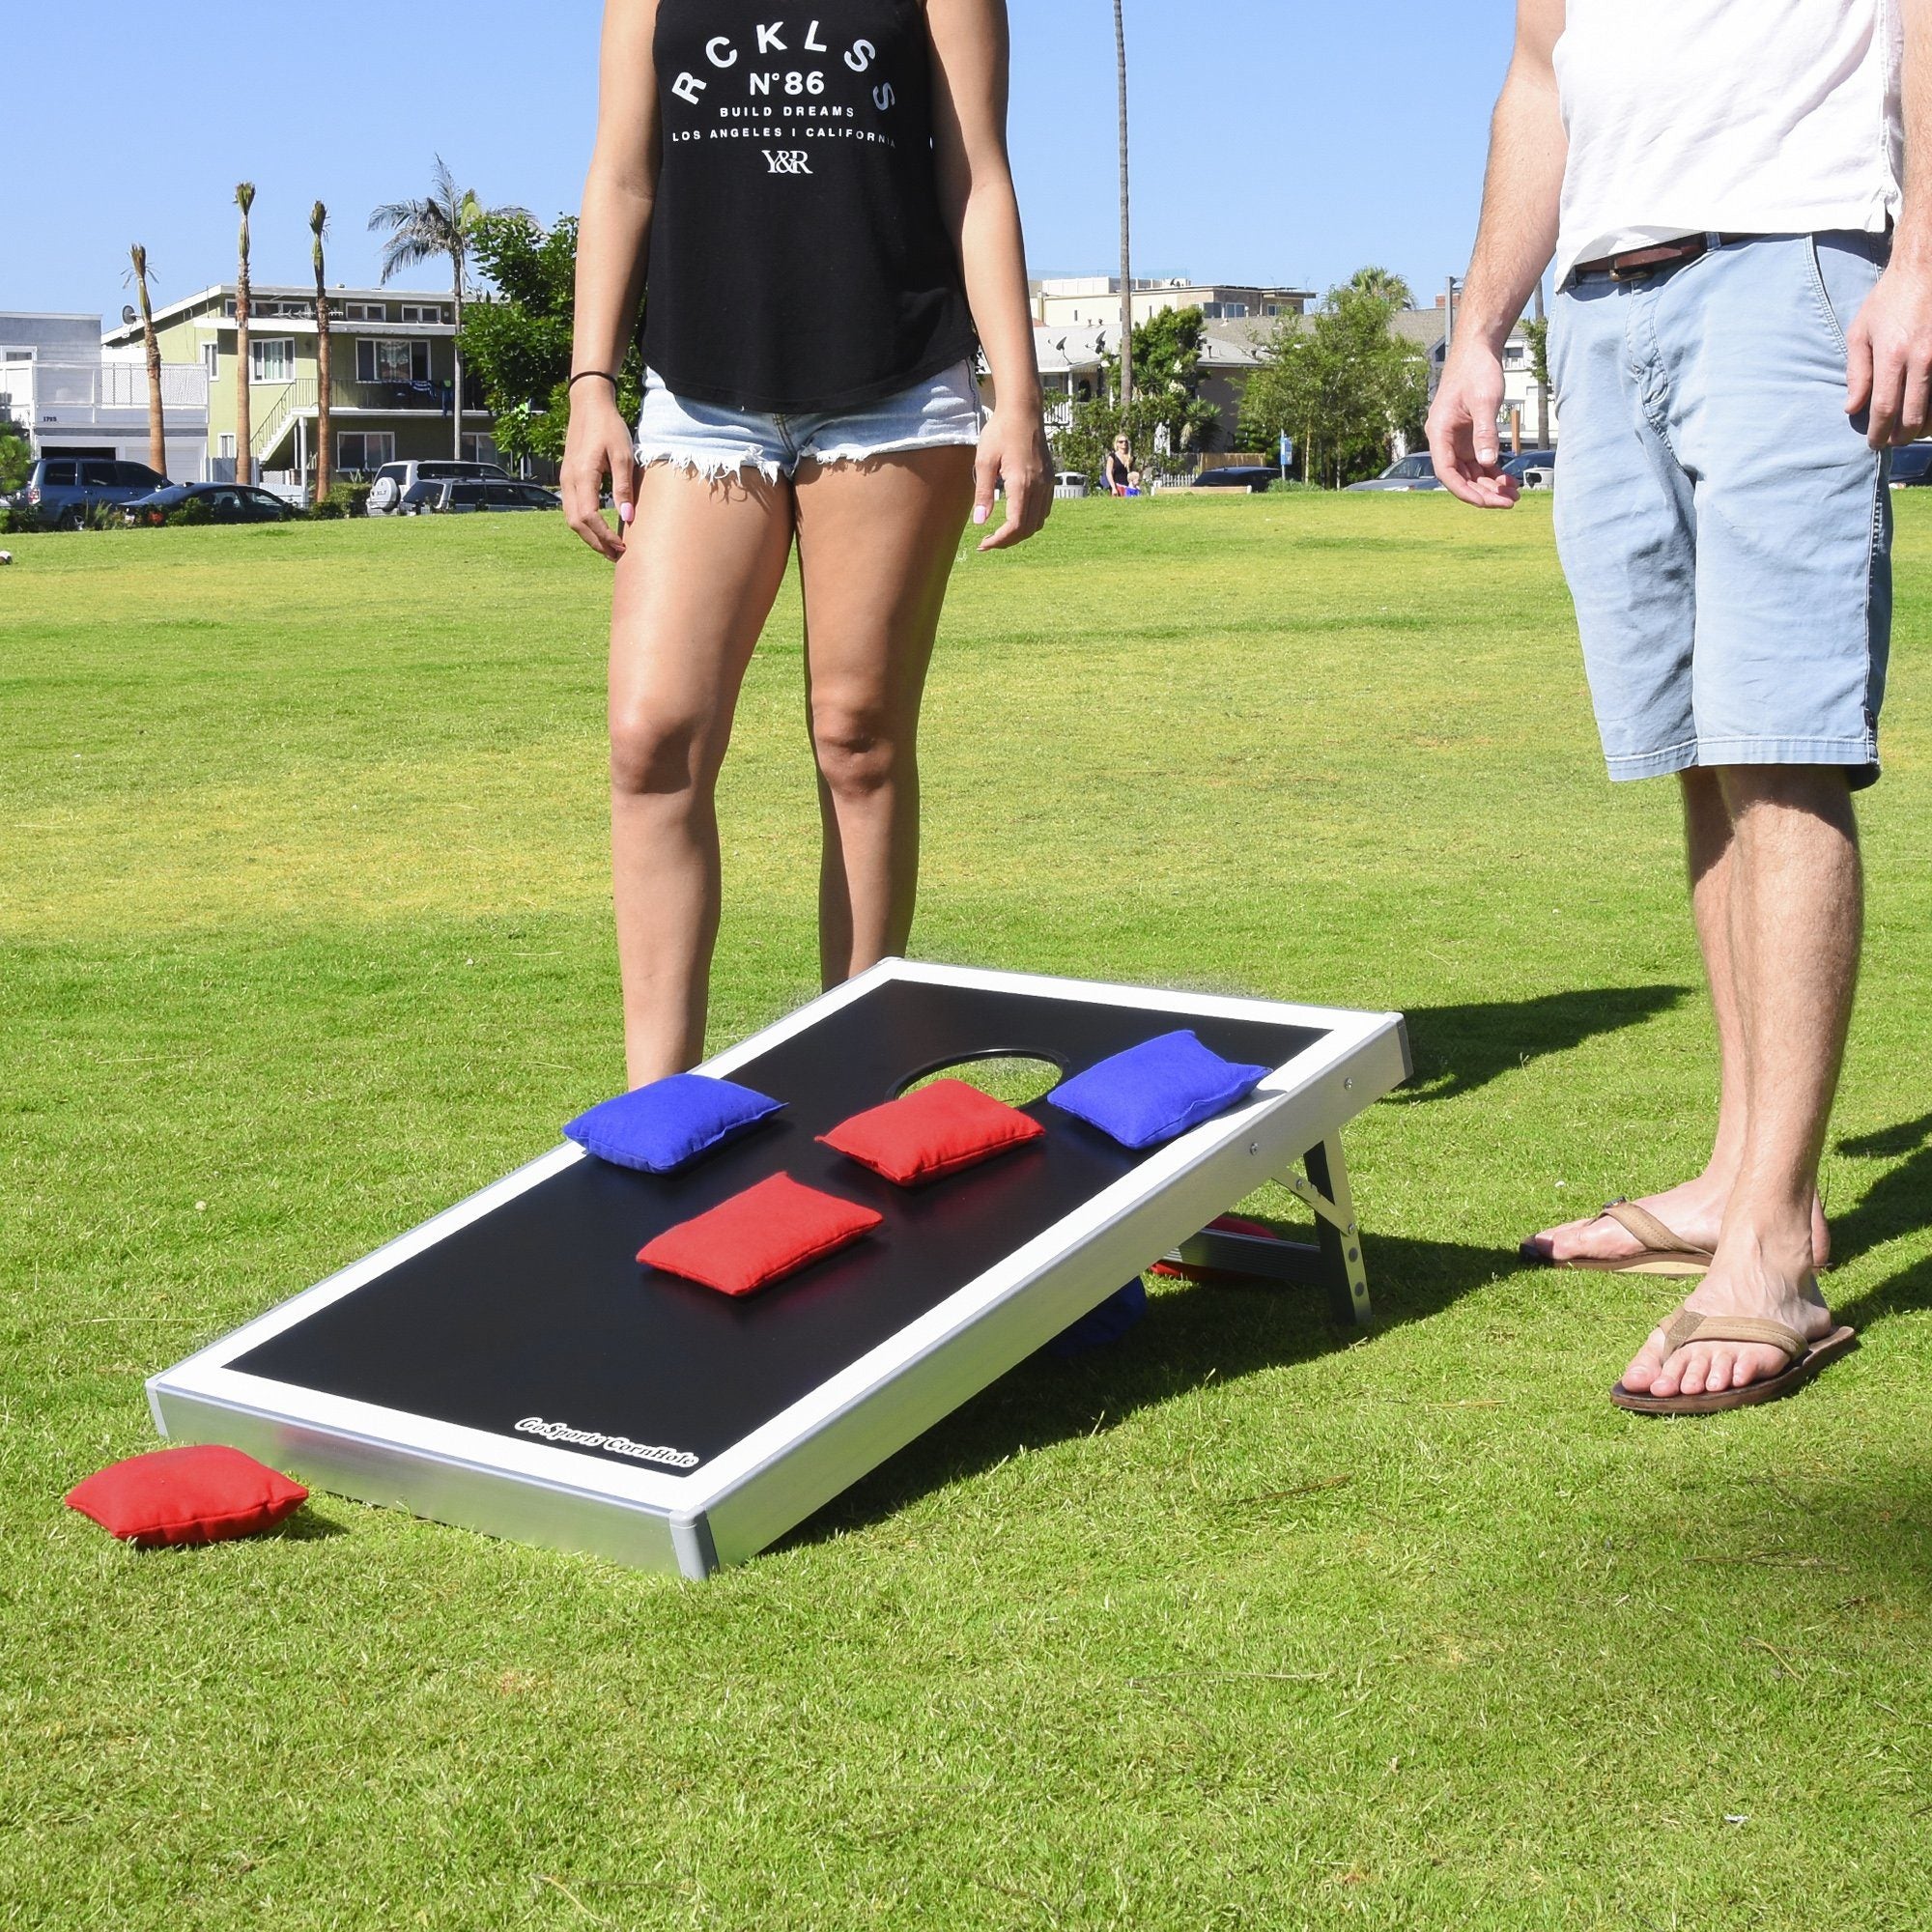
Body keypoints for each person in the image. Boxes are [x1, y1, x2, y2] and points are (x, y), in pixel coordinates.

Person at [1428, 0, 1924, 1412]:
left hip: (1792, 268)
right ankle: (1733, 1180)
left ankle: (1773, 1250)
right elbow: (1542, 78)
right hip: (1599, 308)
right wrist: (1479, 329)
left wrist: (1924, 263)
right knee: (1702, 758)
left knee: (1784, 749)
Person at [563, 0, 1050, 1086]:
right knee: (652, 740)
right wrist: (591, 381)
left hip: (895, 388)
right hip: (698, 396)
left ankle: (859, 1081)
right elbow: (622, 176)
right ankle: (656, 1111)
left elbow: (975, 181)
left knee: (857, 735)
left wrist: (1015, 397)